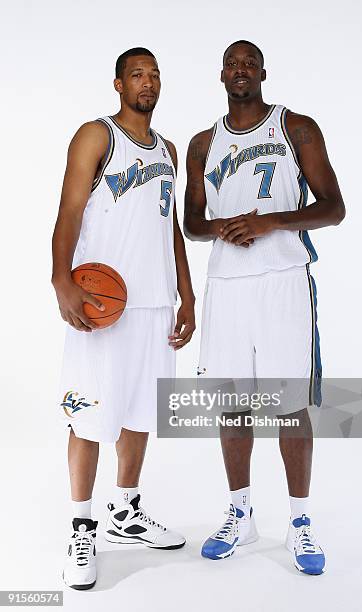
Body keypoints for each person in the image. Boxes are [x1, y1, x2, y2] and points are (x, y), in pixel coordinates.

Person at [184, 40, 345, 574]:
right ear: (220, 74)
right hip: (228, 285)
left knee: (289, 405)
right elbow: (191, 224)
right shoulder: (202, 144)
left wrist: (269, 221)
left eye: (249, 62)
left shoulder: (295, 127)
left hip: (282, 281)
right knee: (232, 404)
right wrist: (225, 230)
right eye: (232, 63)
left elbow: (334, 207)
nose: (240, 70)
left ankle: (299, 521)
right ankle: (240, 513)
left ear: (263, 73)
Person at [52, 47, 195, 590]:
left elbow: (171, 226)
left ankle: (125, 512)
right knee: (89, 416)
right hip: (100, 307)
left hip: (154, 304)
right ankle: (82, 525)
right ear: (118, 83)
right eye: (137, 73)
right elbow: (68, 210)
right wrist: (60, 280)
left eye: (155, 74)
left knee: (139, 414)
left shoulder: (169, 150)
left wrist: (187, 294)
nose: (148, 82)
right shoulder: (96, 135)